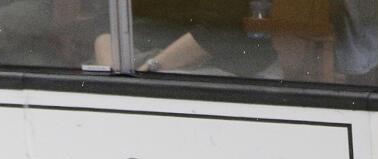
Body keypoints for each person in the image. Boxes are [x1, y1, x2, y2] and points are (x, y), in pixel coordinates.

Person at [93, 1, 280, 79]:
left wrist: (146, 72)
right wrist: (112, 74)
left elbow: (216, 32)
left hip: (227, 69)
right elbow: (106, 21)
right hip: (136, 64)